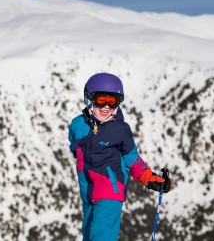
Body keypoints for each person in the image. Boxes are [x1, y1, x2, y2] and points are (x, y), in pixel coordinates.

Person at [68, 72, 172, 240]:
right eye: (102, 100)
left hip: (110, 189)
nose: (107, 106)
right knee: (88, 234)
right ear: (90, 98)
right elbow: (74, 146)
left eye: (113, 101)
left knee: (101, 235)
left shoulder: (120, 129)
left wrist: (148, 177)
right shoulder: (77, 125)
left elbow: (131, 157)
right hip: (87, 190)